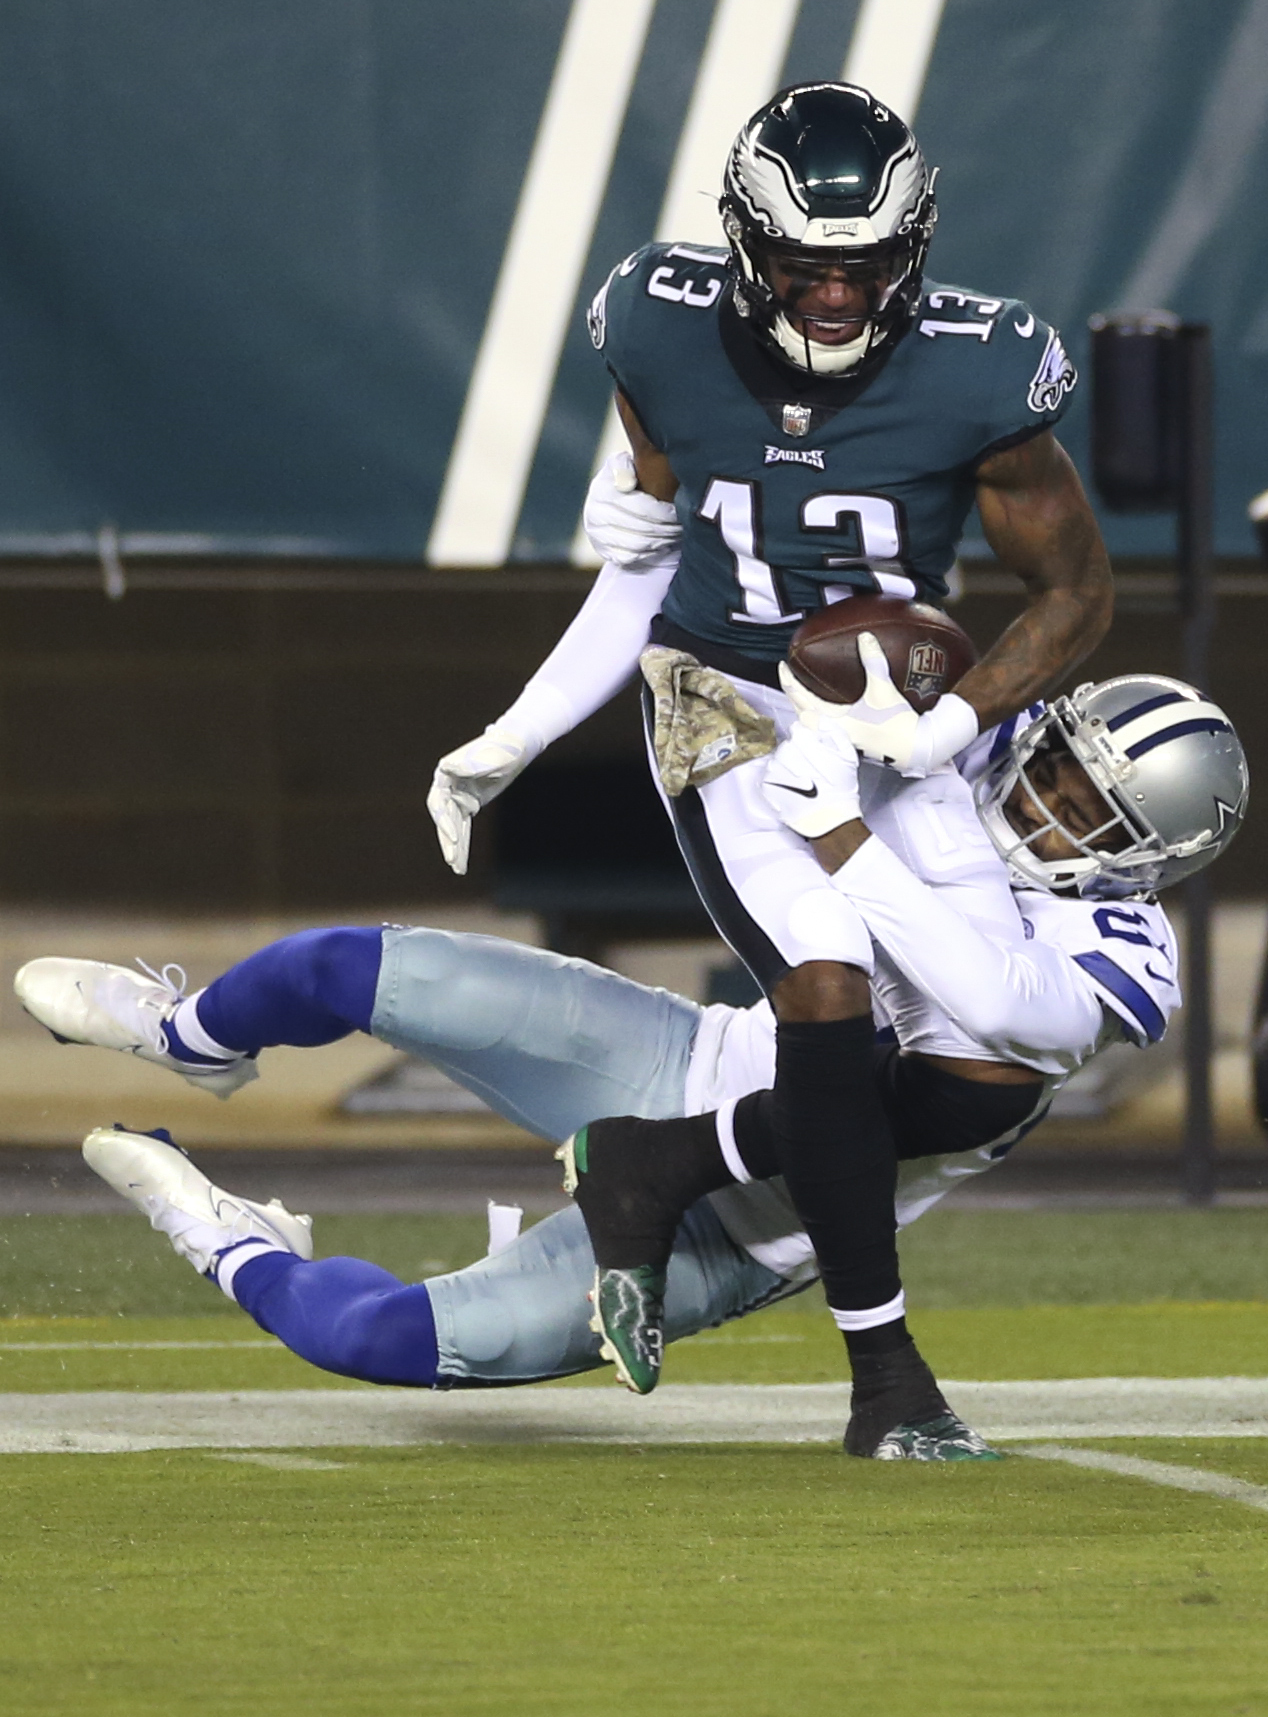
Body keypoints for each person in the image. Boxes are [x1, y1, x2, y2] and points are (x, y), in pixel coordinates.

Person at [17, 671, 1245, 1459]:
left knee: (381, 1346)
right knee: (351, 965)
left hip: (747, 1220)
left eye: (1088, 812)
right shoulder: (953, 755)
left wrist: (842, 837)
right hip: (685, 1049)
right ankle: (194, 1040)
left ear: (1151, 859)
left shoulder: (1120, 959)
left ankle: (229, 1235)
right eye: (1052, 770)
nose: (1039, 807)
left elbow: (989, 998)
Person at [426, 81, 1115, 1451]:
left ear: (912, 249)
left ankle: (662, 1160)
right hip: (718, 691)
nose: (837, 294)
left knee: (999, 1060)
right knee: (826, 986)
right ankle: (886, 1375)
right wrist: (516, 732)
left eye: (864, 265)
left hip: (893, 707)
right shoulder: (658, 324)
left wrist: (939, 729)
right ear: (744, 239)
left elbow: (1077, 597)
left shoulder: (986, 367)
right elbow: (642, 562)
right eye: (804, 262)